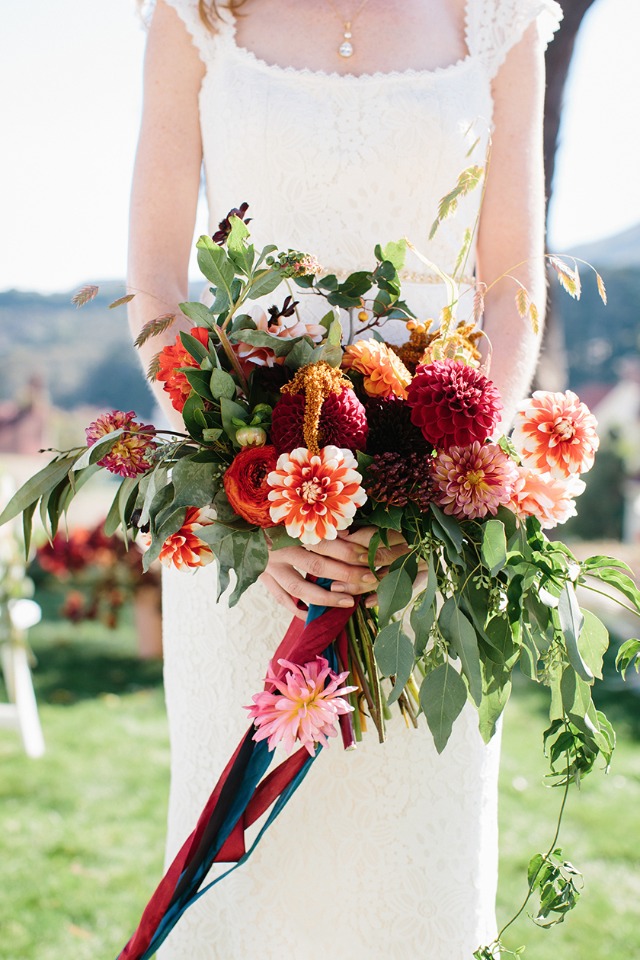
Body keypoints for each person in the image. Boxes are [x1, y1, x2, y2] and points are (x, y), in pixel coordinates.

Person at [127, 1, 563, 957]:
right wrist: (253, 502)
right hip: (246, 527)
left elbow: (508, 286)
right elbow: (157, 289)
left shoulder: (499, 18)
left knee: (410, 878)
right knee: (248, 891)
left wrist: (447, 478)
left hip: (424, 544)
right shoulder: (198, 12)